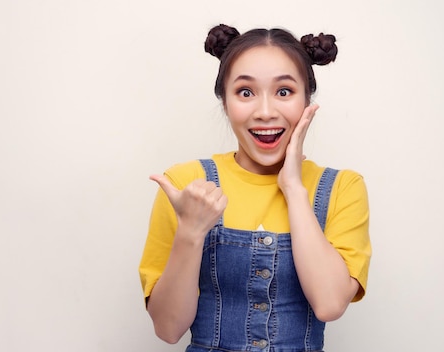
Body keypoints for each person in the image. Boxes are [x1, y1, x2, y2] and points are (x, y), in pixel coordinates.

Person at [139, 24, 371, 351]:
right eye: (245, 92)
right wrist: (191, 231)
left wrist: (293, 186)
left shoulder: (342, 188)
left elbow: (330, 304)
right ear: (225, 102)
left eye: (284, 91)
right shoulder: (185, 185)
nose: (265, 112)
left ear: (307, 100)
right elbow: (167, 328)